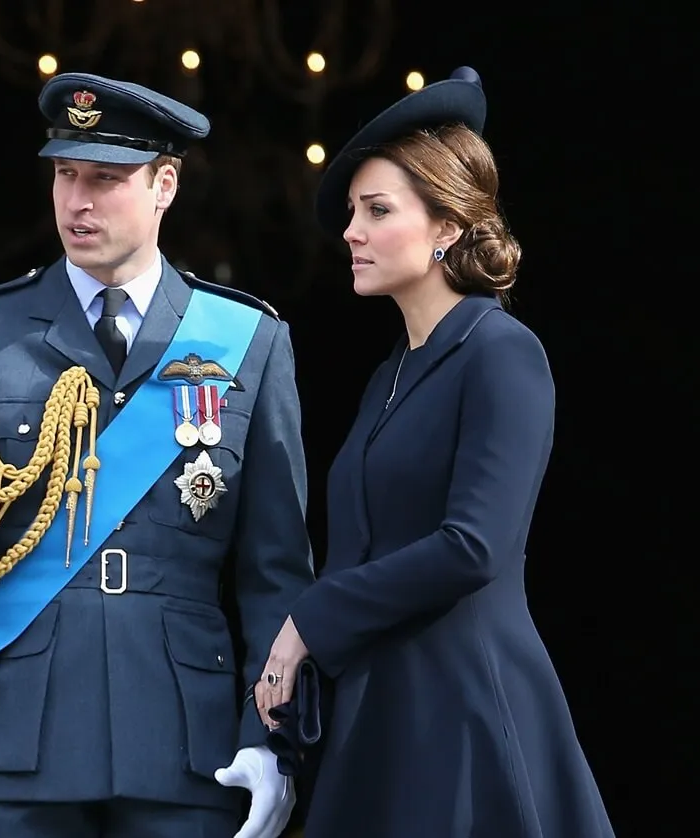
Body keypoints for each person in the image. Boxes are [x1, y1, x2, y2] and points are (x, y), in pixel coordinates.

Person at [0, 73, 316, 838]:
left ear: (165, 183)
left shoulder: (248, 340)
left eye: (106, 178)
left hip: (183, 736)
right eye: (66, 174)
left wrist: (270, 734)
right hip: (17, 728)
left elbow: (276, 572)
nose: (79, 201)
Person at [256, 68, 616, 836]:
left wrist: (309, 621)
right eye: (353, 211)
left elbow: (473, 546)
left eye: (377, 210)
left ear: (447, 227)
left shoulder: (502, 352)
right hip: (383, 711)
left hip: (465, 708)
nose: (351, 231)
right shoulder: (389, 374)